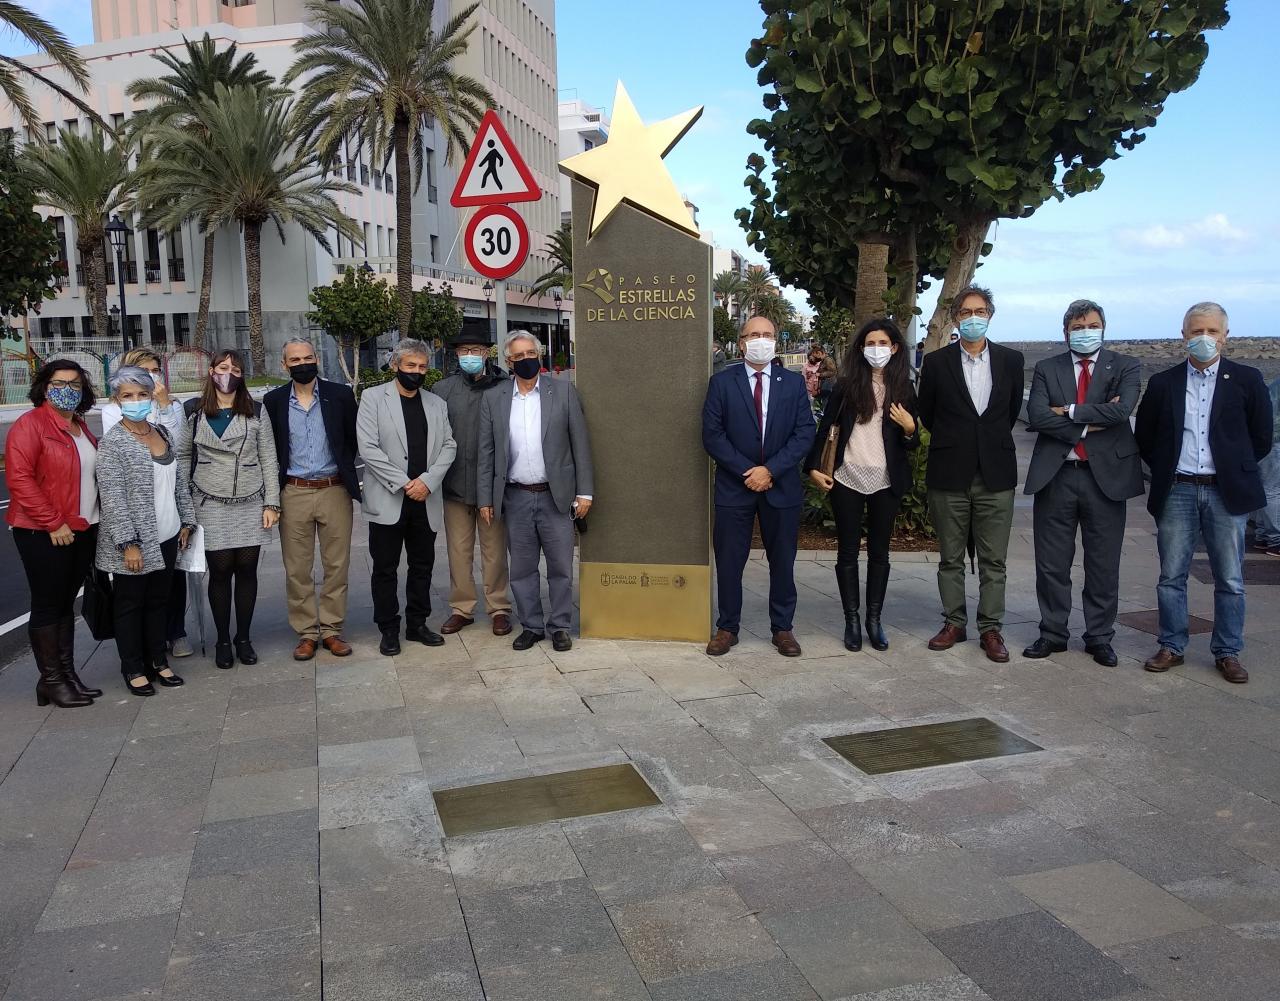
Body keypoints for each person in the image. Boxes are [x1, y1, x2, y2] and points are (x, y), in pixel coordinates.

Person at [1134, 302, 1273, 683]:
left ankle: (1228, 651)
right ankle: (1171, 645)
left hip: (1226, 491)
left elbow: (1261, 437)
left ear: (1225, 337)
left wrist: (1231, 466)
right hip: (1177, 488)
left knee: (1230, 578)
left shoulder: (1247, 379)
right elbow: (1146, 436)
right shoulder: (1164, 383)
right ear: (1184, 336)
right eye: (1197, 332)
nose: (1205, 339)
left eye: (1212, 332)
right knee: (1171, 575)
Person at [1023, 300, 1144, 667]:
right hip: (1057, 476)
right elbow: (1039, 416)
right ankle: (1052, 633)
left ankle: (1100, 637)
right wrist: (1095, 417)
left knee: (1103, 565)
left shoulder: (1125, 365)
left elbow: (1122, 412)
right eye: (1078, 326)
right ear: (1066, 333)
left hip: (1105, 479)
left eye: (1092, 324)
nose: (1085, 331)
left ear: (1104, 328)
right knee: (1052, 564)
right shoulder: (1047, 368)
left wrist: (1071, 412)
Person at [917, 285, 1025, 663]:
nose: (973, 318)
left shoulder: (1012, 361)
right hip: (950, 471)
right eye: (966, 312)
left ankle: (991, 628)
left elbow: (1010, 411)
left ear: (990, 316)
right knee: (950, 557)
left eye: (980, 311)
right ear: (956, 318)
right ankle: (954, 622)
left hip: (996, 473)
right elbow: (927, 414)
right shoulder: (936, 363)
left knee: (995, 560)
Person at [702, 315, 816, 657]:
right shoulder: (721, 383)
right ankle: (727, 627)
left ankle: (782, 628)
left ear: (775, 342)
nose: (761, 339)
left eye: (767, 334)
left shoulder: (793, 384)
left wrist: (771, 470)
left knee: (783, 560)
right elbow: (712, 435)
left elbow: (804, 433)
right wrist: (747, 471)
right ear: (741, 343)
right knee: (730, 560)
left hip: (780, 488)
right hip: (734, 487)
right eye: (753, 335)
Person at [805, 319, 920, 652]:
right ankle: (851, 621)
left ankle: (874, 620)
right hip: (847, 476)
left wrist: (911, 428)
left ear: (895, 347)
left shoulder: (904, 387)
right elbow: (825, 426)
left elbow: (910, 445)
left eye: (883, 343)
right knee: (847, 551)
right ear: (860, 348)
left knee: (880, 553)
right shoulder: (846, 386)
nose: (877, 350)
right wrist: (813, 467)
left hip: (887, 479)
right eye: (871, 343)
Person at [478, 331, 593, 652]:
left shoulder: (564, 392)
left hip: (555, 496)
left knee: (560, 568)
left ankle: (559, 626)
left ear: (539, 356)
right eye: (519, 356)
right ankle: (531, 625)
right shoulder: (495, 398)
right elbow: (486, 452)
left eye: (532, 353)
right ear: (508, 362)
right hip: (514, 497)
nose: (527, 359)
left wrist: (585, 493)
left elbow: (580, 444)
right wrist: (485, 498)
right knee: (522, 569)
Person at [5, 360, 102, 708]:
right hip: (44, 532)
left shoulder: (79, 426)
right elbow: (19, 479)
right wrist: (52, 521)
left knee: (65, 605)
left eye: (76, 384)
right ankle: (51, 680)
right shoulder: (30, 426)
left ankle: (66, 674)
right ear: (45, 386)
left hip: (81, 528)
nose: (68, 390)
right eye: (60, 383)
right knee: (48, 605)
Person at [96, 368, 197, 696]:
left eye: (142, 394)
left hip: (168, 535)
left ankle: (158, 659)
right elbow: (112, 499)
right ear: (117, 401)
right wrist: (128, 543)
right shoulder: (114, 443)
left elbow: (178, 482)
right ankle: (133, 666)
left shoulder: (161, 432)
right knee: (130, 604)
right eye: (128, 396)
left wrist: (186, 521)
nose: (136, 401)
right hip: (135, 542)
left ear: (152, 395)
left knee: (158, 601)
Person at [177, 350, 280, 669]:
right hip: (209, 502)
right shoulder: (193, 410)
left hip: (250, 501)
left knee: (247, 570)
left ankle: (244, 638)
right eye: (223, 368)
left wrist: (272, 502)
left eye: (235, 369)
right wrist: (186, 511)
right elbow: (181, 458)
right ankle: (223, 639)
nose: (229, 373)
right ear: (211, 372)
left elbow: (269, 458)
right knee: (220, 571)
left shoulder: (256, 410)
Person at [357, 338, 457, 656]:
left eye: (423, 366)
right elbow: (368, 448)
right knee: (385, 568)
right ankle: (388, 629)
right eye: (410, 365)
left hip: (424, 499)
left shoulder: (435, 404)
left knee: (422, 566)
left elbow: (449, 445)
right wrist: (404, 483)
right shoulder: (373, 398)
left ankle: (417, 624)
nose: (417, 372)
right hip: (390, 498)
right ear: (396, 365)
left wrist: (427, 481)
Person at [263, 340, 360, 661]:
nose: (302, 363)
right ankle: (306, 632)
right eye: (295, 359)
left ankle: (332, 630)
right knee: (297, 568)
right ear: (284, 365)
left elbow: (352, 440)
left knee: (337, 565)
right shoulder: (273, 401)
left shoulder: (340, 395)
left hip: (334, 489)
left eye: (307, 357)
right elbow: (269, 448)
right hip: (294, 492)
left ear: (317, 359)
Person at [431, 331, 513, 637]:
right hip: (454, 485)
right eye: (464, 349)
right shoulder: (442, 390)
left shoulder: (505, 387)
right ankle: (461, 608)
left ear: (487, 353)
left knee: (494, 549)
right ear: (456, 354)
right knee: (458, 550)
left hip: (492, 487)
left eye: (476, 349)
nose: (470, 355)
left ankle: (499, 608)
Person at [1250, 375, 1280, 556]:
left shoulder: (1275, 383)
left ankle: (1262, 536)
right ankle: (1276, 540)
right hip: (1276, 442)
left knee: (1264, 489)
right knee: (1273, 490)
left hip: (1267, 441)